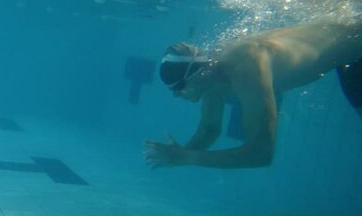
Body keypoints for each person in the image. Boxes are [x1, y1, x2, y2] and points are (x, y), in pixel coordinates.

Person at [144, 21, 362, 169]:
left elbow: (261, 154)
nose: (176, 96)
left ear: (196, 75)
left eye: (177, 88)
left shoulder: (246, 67)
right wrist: (179, 155)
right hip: (346, 59)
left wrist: (186, 157)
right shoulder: (211, 76)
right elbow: (209, 130)